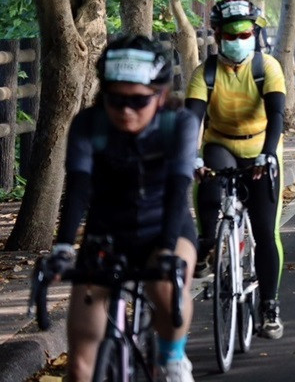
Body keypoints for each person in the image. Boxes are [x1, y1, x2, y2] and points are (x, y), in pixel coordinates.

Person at [49, 36, 200, 382]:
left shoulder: (178, 124)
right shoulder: (89, 123)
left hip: (164, 226)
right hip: (107, 234)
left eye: (138, 100)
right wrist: (61, 248)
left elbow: (179, 188)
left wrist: (164, 249)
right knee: (80, 368)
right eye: (115, 100)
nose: (126, 110)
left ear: (160, 96)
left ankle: (173, 360)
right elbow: (78, 187)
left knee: (167, 284)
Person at [188, 0, 286, 340]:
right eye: (231, 35)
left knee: (264, 229)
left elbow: (276, 114)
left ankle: (269, 306)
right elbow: (193, 118)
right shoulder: (206, 73)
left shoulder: (267, 67)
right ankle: (207, 240)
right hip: (221, 142)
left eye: (247, 34)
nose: (239, 40)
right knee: (209, 178)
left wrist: (269, 154)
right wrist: (191, 156)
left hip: (261, 146)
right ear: (217, 35)